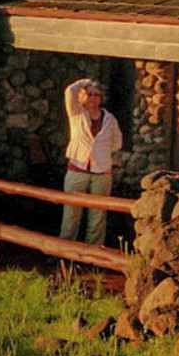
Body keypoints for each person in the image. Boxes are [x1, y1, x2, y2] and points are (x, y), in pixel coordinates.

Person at [61, 78, 122, 245]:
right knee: (71, 214)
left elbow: (117, 143)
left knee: (98, 215)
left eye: (97, 95)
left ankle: (93, 254)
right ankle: (65, 252)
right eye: (89, 94)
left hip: (101, 172)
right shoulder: (76, 114)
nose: (93, 98)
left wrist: (100, 152)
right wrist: (86, 82)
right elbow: (69, 91)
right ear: (82, 96)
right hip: (77, 169)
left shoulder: (110, 119)